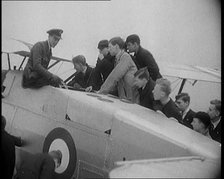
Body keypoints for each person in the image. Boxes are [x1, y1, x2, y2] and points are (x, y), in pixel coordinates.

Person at [98, 37, 138, 102]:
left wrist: (102, 91)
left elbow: (115, 76)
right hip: (126, 97)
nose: (108, 49)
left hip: (132, 99)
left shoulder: (125, 57)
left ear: (116, 46)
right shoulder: (118, 59)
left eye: (110, 47)